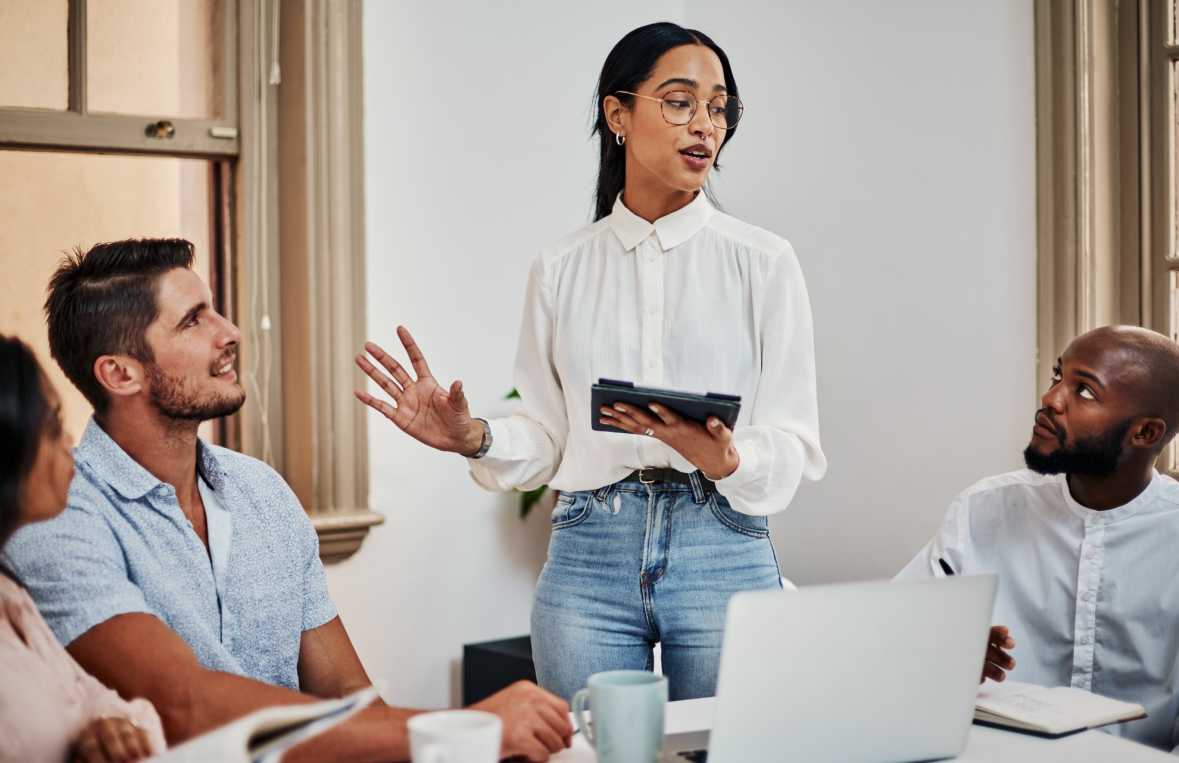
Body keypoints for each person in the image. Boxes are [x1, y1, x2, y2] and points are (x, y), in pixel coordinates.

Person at [356, 21, 826, 701]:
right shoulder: (559, 267)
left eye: (718, 106)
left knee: (726, 751)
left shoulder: (764, 262)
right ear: (618, 114)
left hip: (720, 541)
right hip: (588, 552)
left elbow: (793, 438)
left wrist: (726, 457)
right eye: (679, 100)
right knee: (587, 750)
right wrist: (474, 436)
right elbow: (548, 436)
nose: (704, 124)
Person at [5, 239, 571, 763]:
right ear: (121, 373)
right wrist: (465, 730)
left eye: (215, 309)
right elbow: (183, 707)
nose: (229, 332)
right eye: (193, 321)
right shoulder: (54, 514)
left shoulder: (262, 492)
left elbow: (352, 697)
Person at [898, 326, 1179, 752]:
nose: (1050, 399)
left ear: (1145, 433)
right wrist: (943, 656)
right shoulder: (983, 511)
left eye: (1084, 391)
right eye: (1057, 377)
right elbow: (888, 647)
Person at [0, 335, 166, 763]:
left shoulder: (10, 595)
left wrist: (109, 730)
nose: (69, 441)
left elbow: (116, 707)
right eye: (53, 425)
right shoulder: (60, 534)